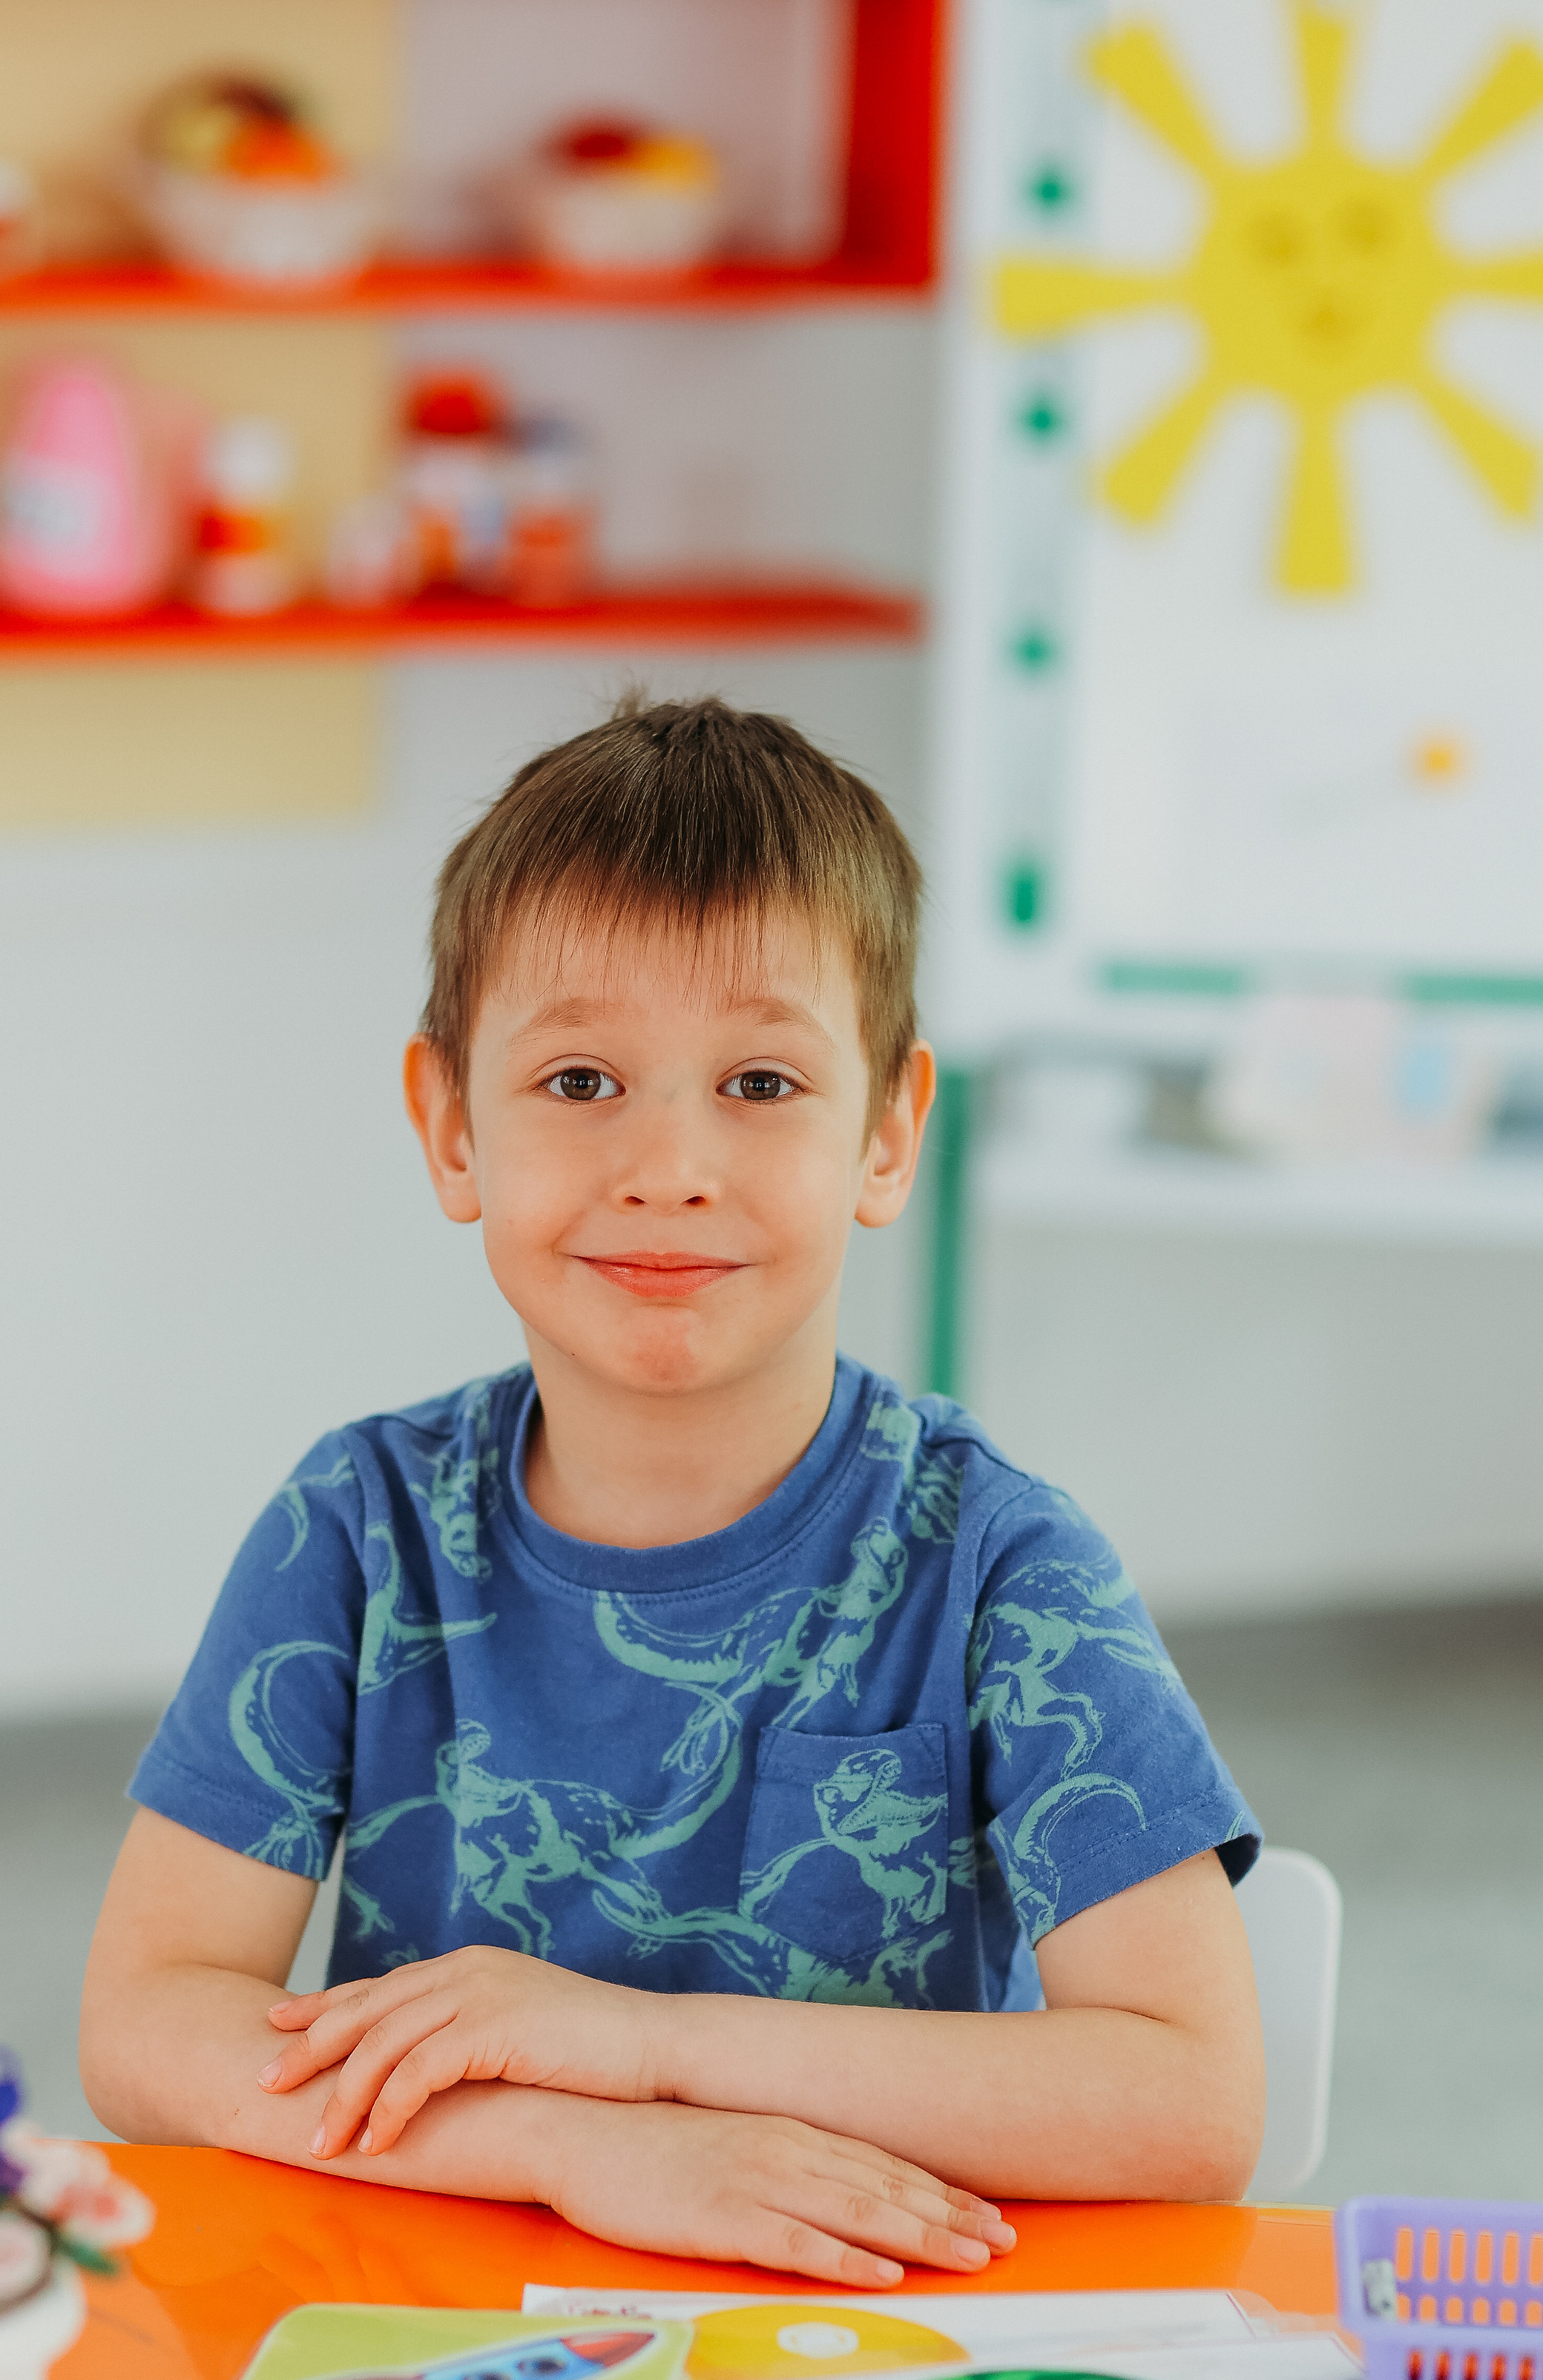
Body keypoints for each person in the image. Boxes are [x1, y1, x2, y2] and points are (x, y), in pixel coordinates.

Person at [79, 696, 1265, 2286]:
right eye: (579, 1081)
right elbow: (149, 2023)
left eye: (760, 1085)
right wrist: (579, 2145)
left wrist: (635, 2047)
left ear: (888, 1131)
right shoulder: (359, 1527)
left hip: (860, 2344)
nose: (666, 1167)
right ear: (449, 1128)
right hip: (438, 2338)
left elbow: (1189, 2099)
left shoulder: (997, 1561)